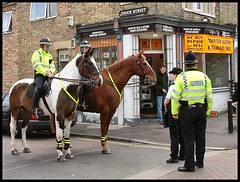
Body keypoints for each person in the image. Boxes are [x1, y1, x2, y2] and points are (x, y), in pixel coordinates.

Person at [171, 50, 213, 172]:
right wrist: (208, 111)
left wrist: (175, 112)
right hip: (201, 111)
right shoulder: (205, 77)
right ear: (196, 64)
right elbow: (209, 97)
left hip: (187, 111)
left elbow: (175, 98)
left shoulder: (181, 78)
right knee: (201, 137)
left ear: (185, 65)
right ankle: (200, 162)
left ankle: (189, 165)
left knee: (188, 138)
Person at [164, 67, 185, 163]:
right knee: (182, 134)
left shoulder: (173, 86)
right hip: (183, 112)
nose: (171, 76)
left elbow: (167, 100)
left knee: (174, 135)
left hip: (174, 112)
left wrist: (165, 106)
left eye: (172, 74)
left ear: (176, 75)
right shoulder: (185, 84)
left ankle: (174, 156)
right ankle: (183, 154)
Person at [32, 37, 56, 116]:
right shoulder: (37, 54)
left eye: (49, 46)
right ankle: (34, 107)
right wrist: (46, 72)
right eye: (47, 46)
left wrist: (51, 72)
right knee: (39, 88)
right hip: (40, 75)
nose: (48, 48)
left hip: (49, 75)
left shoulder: (49, 55)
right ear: (41, 46)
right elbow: (37, 65)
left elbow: (53, 66)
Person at [76, 40, 94, 109]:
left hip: (89, 75)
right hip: (80, 75)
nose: (87, 49)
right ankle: (81, 102)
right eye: (85, 48)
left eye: (88, 48)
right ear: (82, 48)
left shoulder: (91, 57)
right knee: (83, 84)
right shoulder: (79, 56)